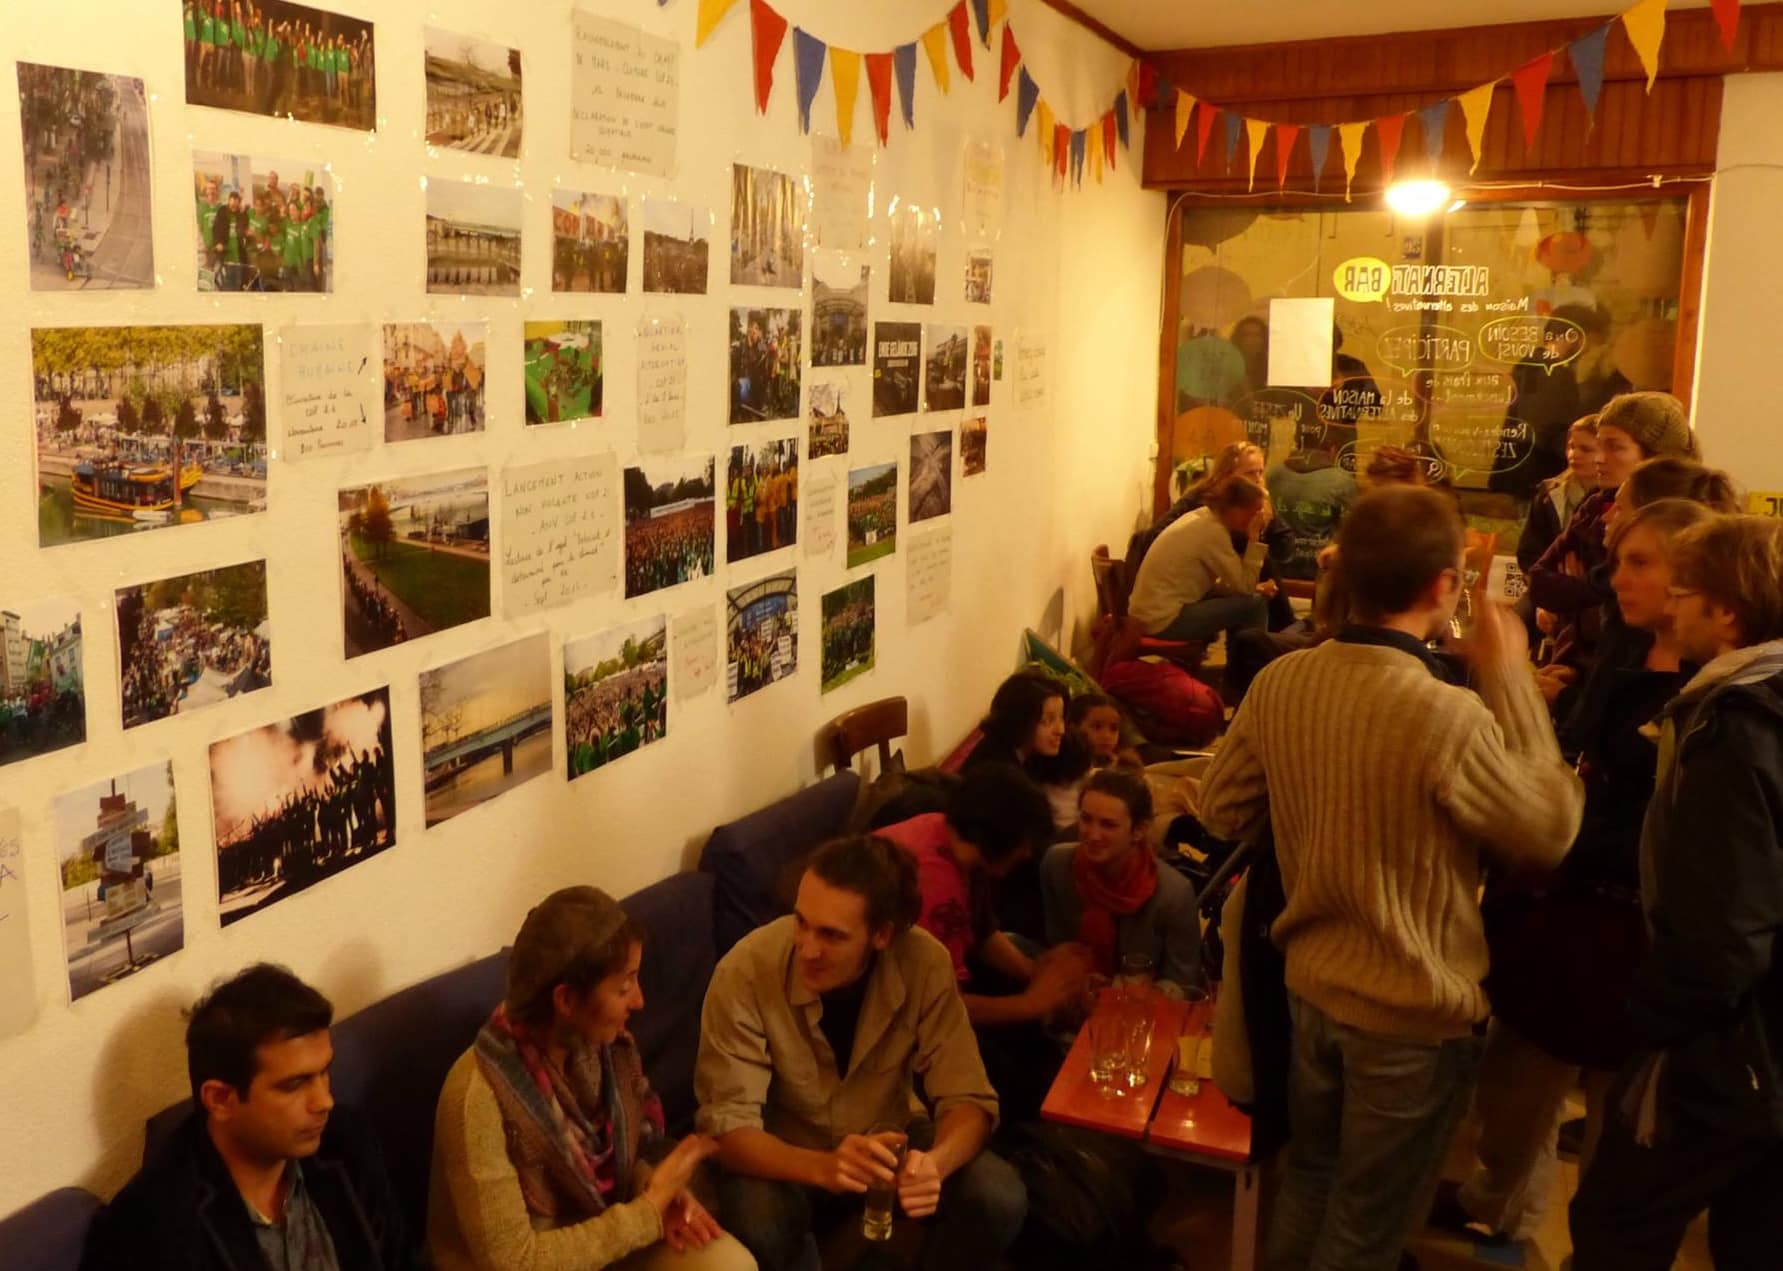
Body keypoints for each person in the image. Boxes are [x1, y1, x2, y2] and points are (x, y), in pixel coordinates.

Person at [1196, 486, 1584, 1270]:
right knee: (1368, 1224)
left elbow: (1219, 808)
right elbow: (1550, 827)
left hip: (1308, 988)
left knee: (1309, 1173)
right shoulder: (1445, 714)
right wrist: (1508, 677)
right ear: (1443, 585)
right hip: (1409, 1010)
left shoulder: (1282, 681)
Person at [1453, 498, 1716, 1242]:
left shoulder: (1716, 687)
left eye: (1638, 561)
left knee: (1614, 1136)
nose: (1613, 577)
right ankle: (1497, 1211)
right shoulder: (1626, 651)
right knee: (1511, 1098)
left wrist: (1510, 687)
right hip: (1571, 917)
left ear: (1692, 576)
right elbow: (1569, 762)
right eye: (1616, 558)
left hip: (1637, 930)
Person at [1570, 515, 1783, 1270]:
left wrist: (1651, 1013)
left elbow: (1726, 929)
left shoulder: (1732, 726)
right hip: (1758, 1042)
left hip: (1724, 1046)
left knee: (1611, 1228)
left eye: (1683, 592)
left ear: (1727, 612)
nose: (1669, 608)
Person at [695, 836, 1026, 1271]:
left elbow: (968, 1097)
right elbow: (728, 1131)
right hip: (784, 1152)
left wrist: (935, 1166)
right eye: (801, 922)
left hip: (890, 1137)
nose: (807, 948)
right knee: (759, 1220)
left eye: (831, 935)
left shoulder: (924, 962)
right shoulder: (745, 970)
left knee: (998, 1196)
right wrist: (826, 1167)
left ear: (883, 934)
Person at [430, 887, 754, 1271]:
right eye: (624, 987)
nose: (639, 1001)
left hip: (604, 1234)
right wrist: (646, 1213)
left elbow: (615, 1163)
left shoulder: (600, 1047)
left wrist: (653, 1189)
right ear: (565, 1001)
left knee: (731, 1265)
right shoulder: (476, 1097)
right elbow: (515, 1262)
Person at [80, 964, 415, 1271]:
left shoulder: (346, 1143)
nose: (324, 1100)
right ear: (220, 1099)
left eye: (324, 1072)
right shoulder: (149, 1227)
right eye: (294, 1085)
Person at [876, 763, 1086, 1118]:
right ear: (1000, 832)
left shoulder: (952, 838)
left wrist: (1036, 974)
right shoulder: (932, 882)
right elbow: (940, 1005)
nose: (1026, 854)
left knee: (1029, 965)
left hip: (932, 982)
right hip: (891, 1011)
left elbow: (981, 931)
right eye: (1023, 842)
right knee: (1020, 1066)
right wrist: (1031, 1003)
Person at [1527, 392, 1696, 674]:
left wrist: (1580, 594)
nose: (1599, 459)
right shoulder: (1594, 505)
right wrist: (1592, 594)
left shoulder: (1684, 521)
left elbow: (1627, 615)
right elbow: (1540, 580)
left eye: (1614, 447)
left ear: (1656, 455)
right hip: (1574, 662)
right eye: (1599, 446)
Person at [1040, 769, 1201, 993]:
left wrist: (1115, 991)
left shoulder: (1173, 893)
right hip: (1069, 998)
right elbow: (1055, 945)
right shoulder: (1057, 864)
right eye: (1086, 819)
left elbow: (1184, 984)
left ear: (1139, 831)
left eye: (1108, 825)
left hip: (1139, 1011)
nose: (1093, 835)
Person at [1128, 476, 1274, 644]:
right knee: (1255, 605)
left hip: (1149, 614)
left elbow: (1218, 586)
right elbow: (1244, 587)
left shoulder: (1203, 517)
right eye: (1255, 512)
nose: (1258, 518)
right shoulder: (1213, 532)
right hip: (1163, 620)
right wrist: (1255, 539)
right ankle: (1254, 666)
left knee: (1245, 601)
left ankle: (1240, 664)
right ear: (1237, 510)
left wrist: (1253, 588)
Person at [1516, 416, 1600, 572]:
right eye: (1571, 447)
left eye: (1586, 449)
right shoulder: (1551, 492)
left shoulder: (1616, 495)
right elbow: (1529, 552)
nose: (1574, 454)